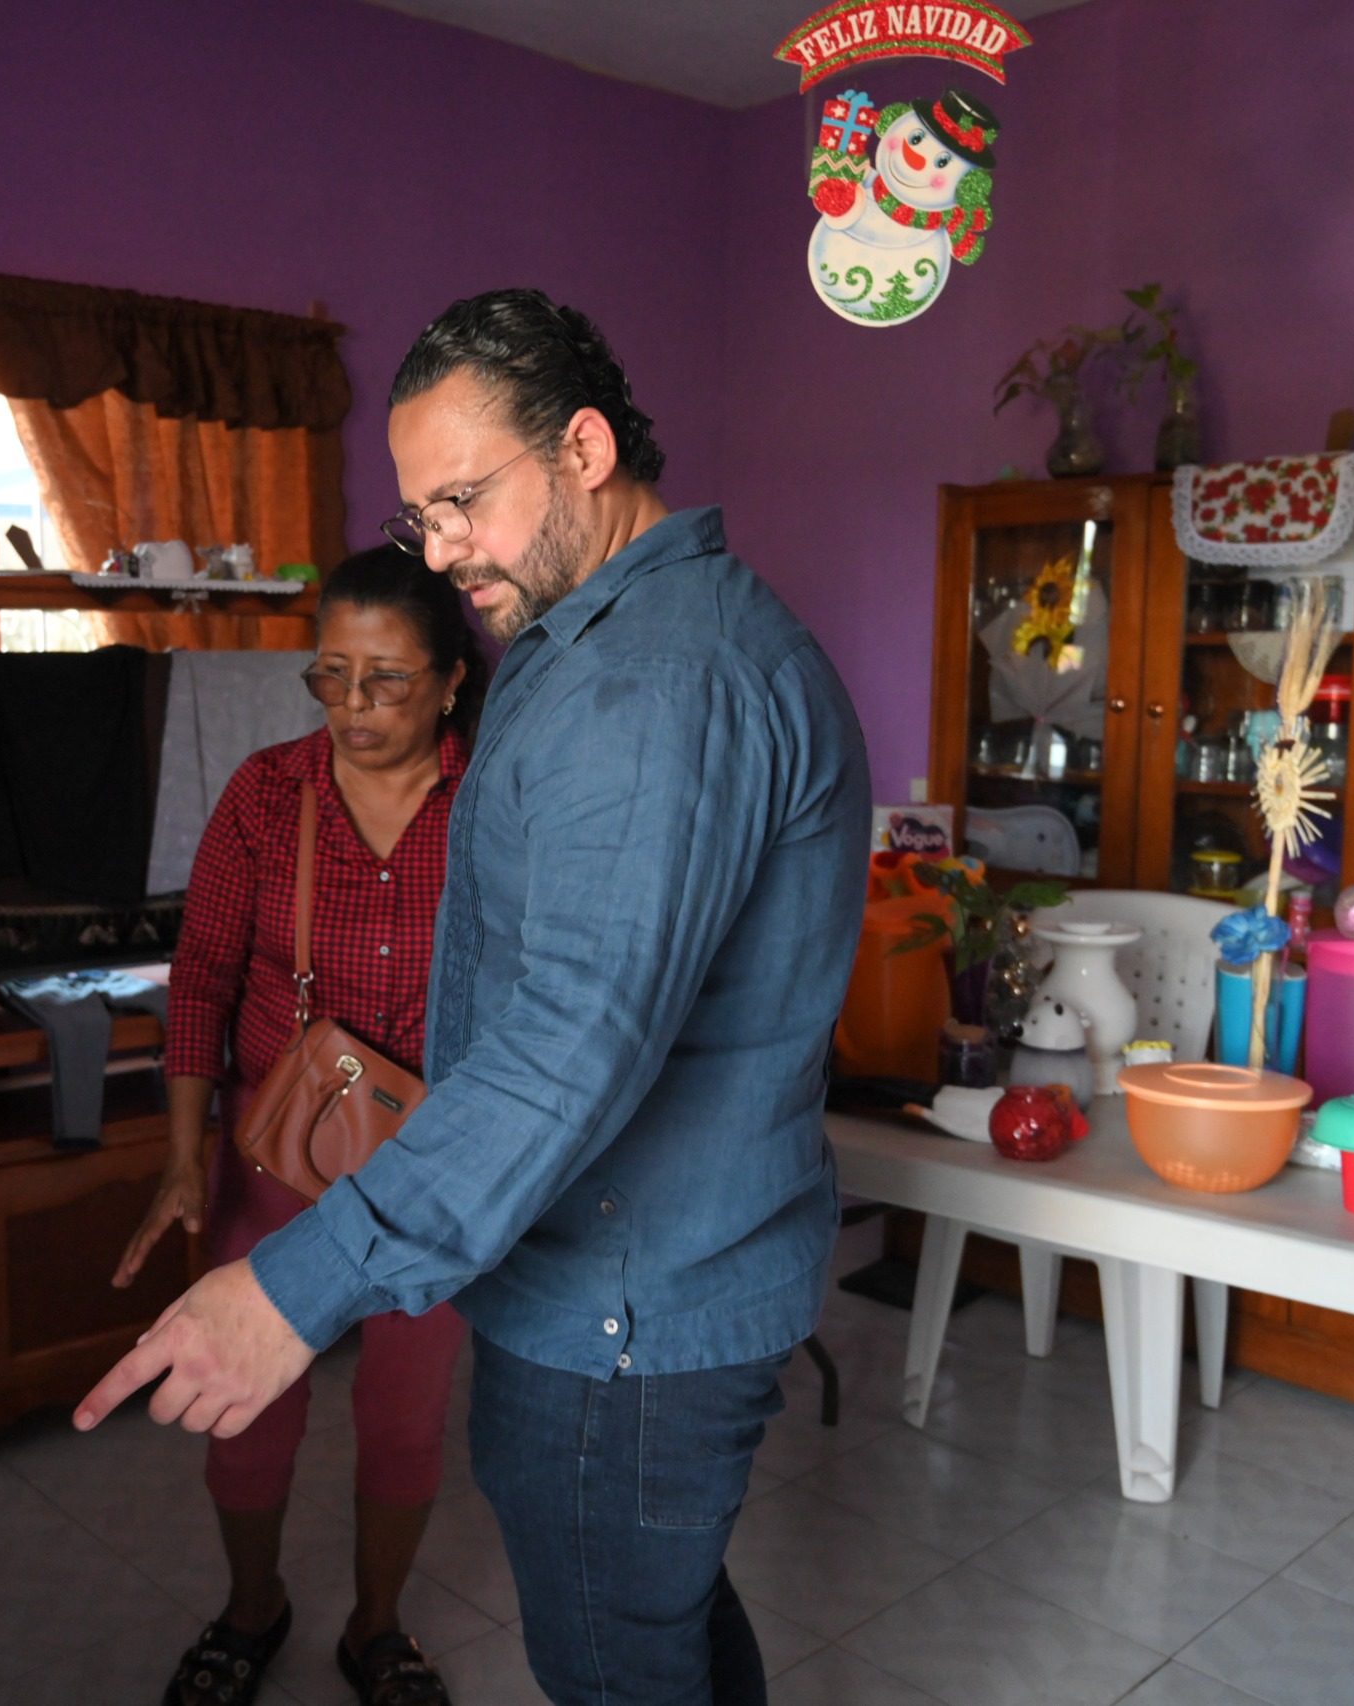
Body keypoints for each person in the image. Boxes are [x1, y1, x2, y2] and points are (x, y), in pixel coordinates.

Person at [77, 290, 870, 1706]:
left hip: (623, 1307)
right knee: (663, 1628)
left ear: (583, 450)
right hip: (622, 1279)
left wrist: (297, 1286)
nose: (439, 549)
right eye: (418, 514)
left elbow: (573, 1037)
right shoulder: (600, 641)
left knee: (621, 1660)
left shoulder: (653, 680)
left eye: (463, 501)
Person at [114, 545, 486, 1706]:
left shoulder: (497, 803)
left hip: (431, 1167)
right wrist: (184, 1154)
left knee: (405, 1412)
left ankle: (377, 1627)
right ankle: (251, 1607)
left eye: (387, 679)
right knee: (248, 1401)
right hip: (275, 1149)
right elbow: (201, 976)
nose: (353, 706)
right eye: (332, 674)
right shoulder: (267, 793)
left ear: (450, 683)